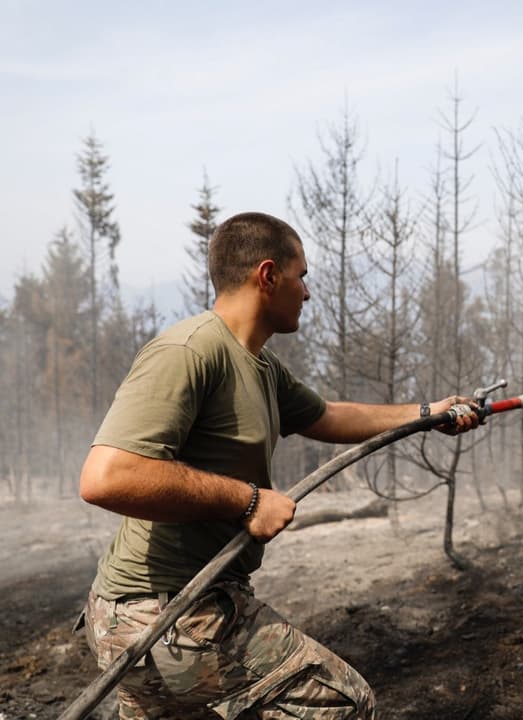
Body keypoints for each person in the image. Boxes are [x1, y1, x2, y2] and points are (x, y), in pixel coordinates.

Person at [78, 211, 480, 719]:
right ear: (268, 276)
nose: (308, 293)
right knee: (344, 704)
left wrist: (427, 414)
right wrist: (246, 500)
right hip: (165, 617)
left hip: (166, 613)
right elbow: (106, 477)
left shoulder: (261, 366)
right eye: (302, 276)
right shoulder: (187, 351)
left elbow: (328, 416)